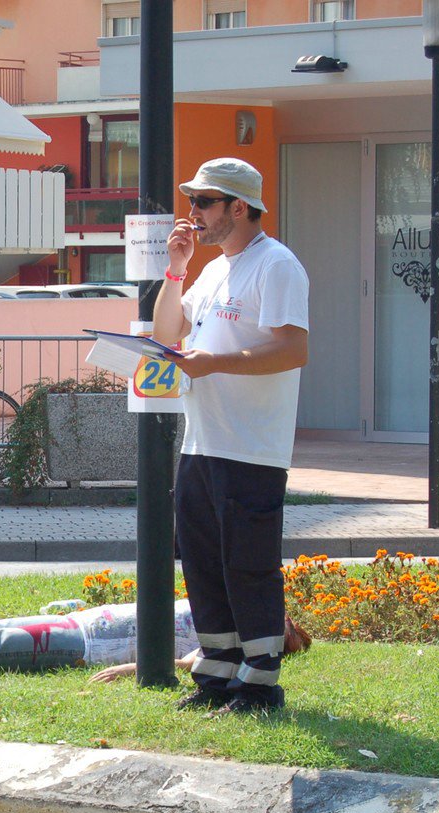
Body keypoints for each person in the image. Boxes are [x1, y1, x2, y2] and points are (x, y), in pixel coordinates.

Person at [151, 157, 310, 714]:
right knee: (201, 561)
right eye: (191, 200)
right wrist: (176, 268)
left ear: (238, 208)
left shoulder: (277, 265)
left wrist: (214, 362)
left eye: (203, 202)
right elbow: (165, 331)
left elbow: (293, 350)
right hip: (201, 442)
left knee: (247, 564)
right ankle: (215, 675)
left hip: (251, 447)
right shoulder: (213, 269)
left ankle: (261, 684)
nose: (191, 212)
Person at [0, 599, 310, 689]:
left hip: (82, 644)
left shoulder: (221, 644)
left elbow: (184, 663)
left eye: (280, 630)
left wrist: (125, 671)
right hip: (81, 621)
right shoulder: (218, 606)